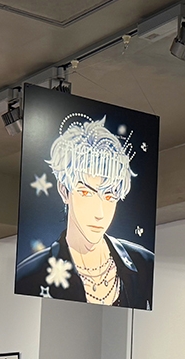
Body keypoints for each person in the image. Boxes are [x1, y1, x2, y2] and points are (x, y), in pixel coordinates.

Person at [15, 116, 154, 307]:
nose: (99, 213)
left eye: (109, 196)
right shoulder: (29, 276)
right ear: (64, 191)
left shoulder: (145, 263)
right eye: (86, 193)